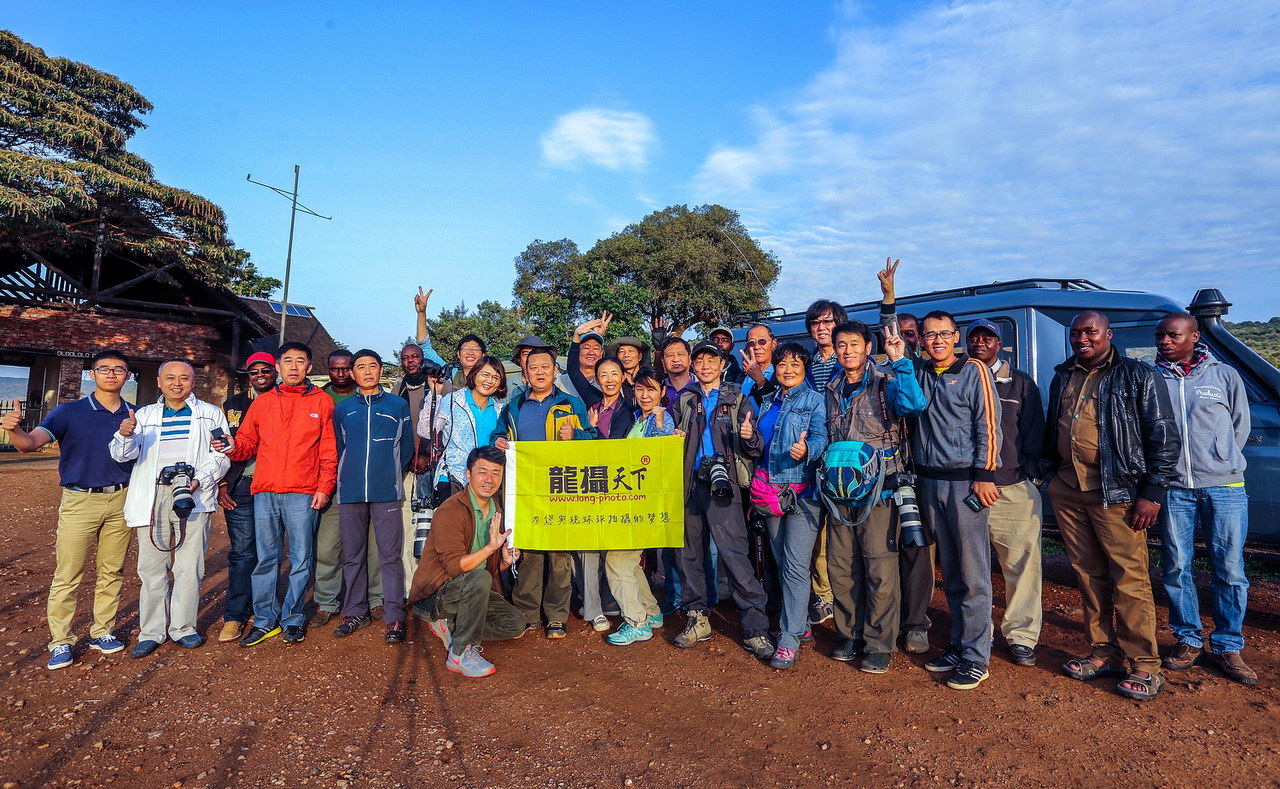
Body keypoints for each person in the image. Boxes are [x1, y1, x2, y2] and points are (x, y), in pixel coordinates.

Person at [1045, 311, 1179, 701]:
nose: (1082, 338)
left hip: (1117, 490)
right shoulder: (1063, 375)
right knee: (1087, 573)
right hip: (1069, 487)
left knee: (1128, 576)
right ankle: (1104, 652)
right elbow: (1055, 424)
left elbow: (1164, 436)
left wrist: (1152, 492)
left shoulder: (1138, 375)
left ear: (1108, 334)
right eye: (1076, 333)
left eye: (1091, 331)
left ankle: (1145, 664)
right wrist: (1048, 475)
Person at [2, 350, 136, 670]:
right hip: (80, 501)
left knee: (112, 571)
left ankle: (102, 631)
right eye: (104, 369)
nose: (112, 374)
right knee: (68, 573)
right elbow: (30, 443)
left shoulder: (137, 413)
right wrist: (14, 431)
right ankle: (61, 640)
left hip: (123, 499)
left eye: (119, 370)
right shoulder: (69, 411)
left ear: (128, 376)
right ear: (92, 374)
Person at [1154, 313, 1255, 684]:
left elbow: (1239, 424)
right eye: (1160, 335)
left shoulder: (1224, 375)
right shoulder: (1152, 379)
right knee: (1176, 566)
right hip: (1175, 488)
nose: (1165, 341)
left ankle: (1229, 645)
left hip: (1224, 486)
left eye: (1174, 335)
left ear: (1194, 336)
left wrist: (1222, 459)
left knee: (1229, 569)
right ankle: (1188, 639)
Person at [109, 359, 230, 657]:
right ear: (159, 382)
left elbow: (222, 454)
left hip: (194, 496)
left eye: (184, 378)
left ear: (193, 382)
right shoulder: (144, 415)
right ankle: (151, 631)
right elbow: (121, 455)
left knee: (189, 567)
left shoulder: (210, 414)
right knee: (152, 569)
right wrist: (125, 433)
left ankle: (184, 628)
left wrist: (199, 480)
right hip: (152, 498)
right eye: (170, 377)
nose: (177, 383)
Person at [824, 320, 925, 674]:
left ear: (868, 348)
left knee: (880, 568)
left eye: (855, 343)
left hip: (880, 491)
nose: (848, 350)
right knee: (841, 567)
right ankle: (850, 634)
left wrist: (901, 362)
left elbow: (914, 405)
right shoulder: (831, 387)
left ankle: (880, 643)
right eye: (841, 344)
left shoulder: (887, 381)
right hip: (839, 493)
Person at [910, 310, 1002, 691]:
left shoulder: (974, 370)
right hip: (930, 483)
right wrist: (889, 300)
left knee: (973, 572)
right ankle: (958, 643)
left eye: (943, 334)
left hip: (965, 484)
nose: (937, 340)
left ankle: (976, 656)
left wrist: (985, 474)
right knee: (949, 571)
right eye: (930, 335)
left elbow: (989, 423)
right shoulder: (919, 372)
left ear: (956, 336)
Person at [224, 341, 338, 647]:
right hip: (264, 490)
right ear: (279, 366)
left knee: (301, 558)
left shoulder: (322, 402)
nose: (293, 367)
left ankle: (293, 619)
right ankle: (264, 620)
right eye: (287, 361)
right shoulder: (262, 403)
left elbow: (329, 451)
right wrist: (233, 447)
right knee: (266, 559)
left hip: (303, 492)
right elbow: (247, 441)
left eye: (300, 361)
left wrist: (324, 487)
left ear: (309, 367)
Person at [672, 340, 771, 658]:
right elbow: (670, 442)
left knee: (734, 556)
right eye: (699, 360)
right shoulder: (684, 400)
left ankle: (755, 628)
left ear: (722, 364)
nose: (704, 366)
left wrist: (749, 436)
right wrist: (672, 439)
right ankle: (697, 618)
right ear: (692, 365)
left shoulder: (738, 398)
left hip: (725, 486)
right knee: (690, 557)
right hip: (690, 486)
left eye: (710, 360)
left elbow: (755, 445)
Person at [492, 346, 593, 637]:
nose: (539, 372)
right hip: (527, 490)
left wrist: (577, 436)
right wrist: (499, 441)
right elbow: (498, 434)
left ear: (554, 371)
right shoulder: (514, 406)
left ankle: (557, 615)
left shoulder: (572, 404)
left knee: (560, 556)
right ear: (525, 373)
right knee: (531, 553)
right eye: (533, 368)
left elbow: (594, 440)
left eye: (545, 367)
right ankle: (527, 613)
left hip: (562, 488)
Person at [966, 320, 1046, 668]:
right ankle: (973, 632)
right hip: (965, 489)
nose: (981, 342)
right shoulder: (958, 378)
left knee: (1022, 565)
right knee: (971, 568)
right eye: (974, 337)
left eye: (988, 337)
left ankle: (1021, 636)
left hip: (1011, 487)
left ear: (1000, 344)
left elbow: (1033, 432)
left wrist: (1028, 474)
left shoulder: (1020, 383)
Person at [409, 446, 525, 678]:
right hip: (437, 592)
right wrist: (490, 548)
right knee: (479, 578)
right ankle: (460, 652)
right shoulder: (450, 510)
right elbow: (454, 568)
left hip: (471, 588)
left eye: (496, 473)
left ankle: (450, 626)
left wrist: (502, 561)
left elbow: (486, 569)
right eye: (482, 472)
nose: (489, 480)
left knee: (515, 625)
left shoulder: (497, 511)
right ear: (468, 475)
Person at [751, 342, 829, 669]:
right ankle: (802, 624)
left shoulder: (815, 400)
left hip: (803, 491)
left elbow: (823, 437)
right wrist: (747, 435)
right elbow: (761, 445)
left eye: (796, 364)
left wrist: (808, 448)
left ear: (805, 368)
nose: (788, 370)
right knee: (783, 562)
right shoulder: (767, 401)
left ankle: (789, 637)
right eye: (783, 364)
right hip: (770, 490)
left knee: (796, 566)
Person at [332, 350, 414, 644]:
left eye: (373, 366)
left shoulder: (397, 405)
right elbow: (341, 449)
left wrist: (389, 475)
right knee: (352, 555)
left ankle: (394, 617)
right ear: (352, 373)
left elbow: (406, 449)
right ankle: (355, 611)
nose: (367, 371)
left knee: (390, 557)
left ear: (381, 371)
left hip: (387, 492)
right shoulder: (342, 410)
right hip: (351, 492)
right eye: (360, 367)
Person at [603, 367, 674, 645]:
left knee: (617, 559)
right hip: (632, 504)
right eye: (641, 389)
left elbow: (658, 457)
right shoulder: (637, 418)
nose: (645, 395)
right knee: (630, 561)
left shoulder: (661, 419)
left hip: (645, 504)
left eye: (652, 389)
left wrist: (660, 425)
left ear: (662, 392)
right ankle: (650, 612)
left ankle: (636, 622)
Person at [312, 349, 382, 628]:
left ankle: (376, 599)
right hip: (332, 482)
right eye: (335, 369)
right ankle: (327, 601)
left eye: (345, 369)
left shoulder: (372, 399)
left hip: (369, 482)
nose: (340, 374)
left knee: (373, 546)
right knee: (328, 546)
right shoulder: (321, 399)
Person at [216, 352, 277, 642]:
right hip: (240, 485)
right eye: (255, 371)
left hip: (275, 485)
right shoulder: (233, 405)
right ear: (248, 375)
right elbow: (221, 447)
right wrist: (221, 482)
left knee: (272, 551)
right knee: (243, 552)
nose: (261, 375)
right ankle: (235, 615)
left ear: (275, 371)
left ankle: (266, 609)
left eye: (266, 370)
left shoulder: (285, 401)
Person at [578, 356, 634, 632]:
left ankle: (612, 600)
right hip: (589, 484)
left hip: (617, 487)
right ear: (596, 379)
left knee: (613, 549)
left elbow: (614, 450)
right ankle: (592, 608)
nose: (609, 379)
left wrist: (590, 430)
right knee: (588, 547)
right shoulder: (591, 406)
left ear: (624, 377)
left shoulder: (630, 410)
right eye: (603, 375)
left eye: (615, 373)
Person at [802, 297, 847, 629]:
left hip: (843, 458)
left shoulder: (849, 362)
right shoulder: (804, 363)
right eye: (816, 323)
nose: (821, 328)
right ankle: (824, 596)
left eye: (828, 322)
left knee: (844, 530)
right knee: (817, 532)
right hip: (809, 459)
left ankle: (846, 594)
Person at [426, 355, 507, 492]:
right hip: (454, 479)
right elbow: (426, 431)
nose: (490, 381)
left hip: (487, 483)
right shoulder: (452, 400)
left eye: (496, 378)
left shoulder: (501, 409)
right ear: (474, 374)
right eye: (485, 374)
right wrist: (434, 395)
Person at [562, 318, 605, 403]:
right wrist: (577, 335)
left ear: (601, 352)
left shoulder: (608, 382)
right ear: (578, 350)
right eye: (586, 347)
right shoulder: (561, 381)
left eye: (596, 348)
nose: (591, 352)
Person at [738, 324, 778, 405]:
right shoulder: (742, 376)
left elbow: (778, 406)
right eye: (751, 343)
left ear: (774, 344)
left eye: (762, 341)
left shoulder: (780, 373)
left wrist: (761, 381)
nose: (756, 347)